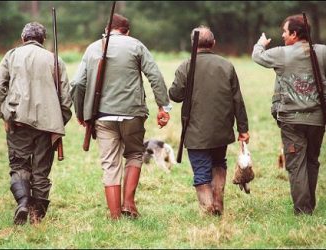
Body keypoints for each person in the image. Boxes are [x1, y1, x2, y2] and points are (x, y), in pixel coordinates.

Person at [70, 13, 171, 220]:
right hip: (132, 114)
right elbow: (155, 75)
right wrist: (163, 106)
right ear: (127, 31)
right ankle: (129, 204)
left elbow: (78, 84)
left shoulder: (92, 48)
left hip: (102, 116)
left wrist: (82, 113)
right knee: (134, 154)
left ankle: (115, 215)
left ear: (106, 30)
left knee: (110, 164)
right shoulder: (136, 45)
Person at [0, 22, 72, 225]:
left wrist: (4, 116)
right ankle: (37, 217)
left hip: (18, 121)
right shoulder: (56, 60)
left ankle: (23, 203)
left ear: (22, 37)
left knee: (19, 165)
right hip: (48, 125)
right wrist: (58, 122)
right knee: (41, 171)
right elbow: (66, 99)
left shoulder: (11, 55)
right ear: (43, 39)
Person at [169, 25, 249, 216]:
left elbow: (175, 95)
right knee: (219, 164)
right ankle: (218, 203)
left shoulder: (186, 66)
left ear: (192, 44)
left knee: (201, 171)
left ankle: (208, 209)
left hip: (195, 131)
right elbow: (237, 99)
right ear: (213, 43)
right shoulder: (226, 65)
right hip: (221, 129)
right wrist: (243, 129)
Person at [252, 14, 326, 215]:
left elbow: (257, 56)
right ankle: (309, 204)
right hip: (318, 118)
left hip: (292, 120)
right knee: (312, 160)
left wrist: (260, 44)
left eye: (285, 32)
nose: (283, 36)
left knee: (296, 164)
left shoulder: (282, 53)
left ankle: (303, 210)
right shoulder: (322, 52)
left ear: (294, 34)